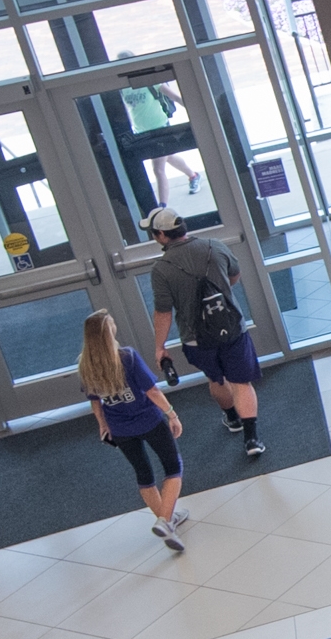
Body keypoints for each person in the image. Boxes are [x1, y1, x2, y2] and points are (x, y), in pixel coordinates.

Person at [141, 207, 265, 462]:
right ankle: (252, 439)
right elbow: (235, 274)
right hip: (232, 329)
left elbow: (163, 311)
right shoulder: (214, 246)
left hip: (197, 338)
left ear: (162, 235)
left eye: (153, 234)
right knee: (242, 383)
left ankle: (232, 419)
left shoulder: (162, 269)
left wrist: (160, 346)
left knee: (217, 381)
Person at [75, 310, 190, 553]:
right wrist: (172, 414)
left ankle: (165, 520)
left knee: (143, 474)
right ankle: (166, 521)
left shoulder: (85, 365)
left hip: (120, 428)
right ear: (109, 332)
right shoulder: (126, 357)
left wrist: (103, 424)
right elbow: (152, 392)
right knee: (173, 467)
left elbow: (95, 400)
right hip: (149, 420)